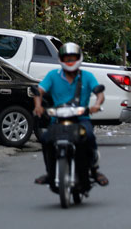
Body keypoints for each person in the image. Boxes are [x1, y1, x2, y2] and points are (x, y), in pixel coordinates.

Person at [32, 42, 108, 187]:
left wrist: (96, 105)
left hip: (81, 119)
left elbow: (99, 93)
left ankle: (94, 169)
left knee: (89, 137)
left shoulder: (87, 76)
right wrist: (38, 106)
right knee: (46, 139)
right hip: (57, 120)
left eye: (72, 58)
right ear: (61, 59)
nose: (70, 61)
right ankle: (50, 172)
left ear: (79, 58)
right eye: (67, 58)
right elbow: (39, 92)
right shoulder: (52, 75)